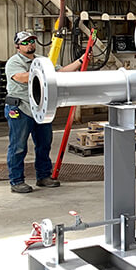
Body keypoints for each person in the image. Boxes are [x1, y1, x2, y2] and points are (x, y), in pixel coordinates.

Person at [5, 31, 85, 193]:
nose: (30, 45)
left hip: (41, 107)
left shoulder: (43, 61)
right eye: (25, 42)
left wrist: (81, 60)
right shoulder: (14, 62)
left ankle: (43, 176)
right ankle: (16, 181)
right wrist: (46, 73)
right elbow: (22, 77)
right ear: (17, 46)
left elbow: (60, 72)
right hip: (21, 108)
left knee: (44, 144)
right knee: (18, 146)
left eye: (32, 41)